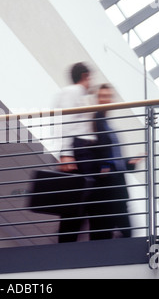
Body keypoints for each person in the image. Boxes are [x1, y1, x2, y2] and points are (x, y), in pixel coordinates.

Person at [88, 84, 140, 240]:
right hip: (109, 184)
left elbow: (112, 156)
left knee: (119, 227)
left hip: (116, 181)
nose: (105, 99)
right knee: (119, 228)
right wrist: (104, 166)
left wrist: (129, 162)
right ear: (96, 99)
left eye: (108, 96)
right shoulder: (96, 120)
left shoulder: (106, 124)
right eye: (102, 96)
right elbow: (97, 149)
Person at [54, 62, 98, 243]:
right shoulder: (73, 92)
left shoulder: (79, 95)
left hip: (82, 151)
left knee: (83, 199)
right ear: (85, 75)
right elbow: (65, 122)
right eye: (91, 77)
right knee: (77, 200)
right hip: (78, 150)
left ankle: (71, 240)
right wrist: (66, 153)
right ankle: (66, 242)